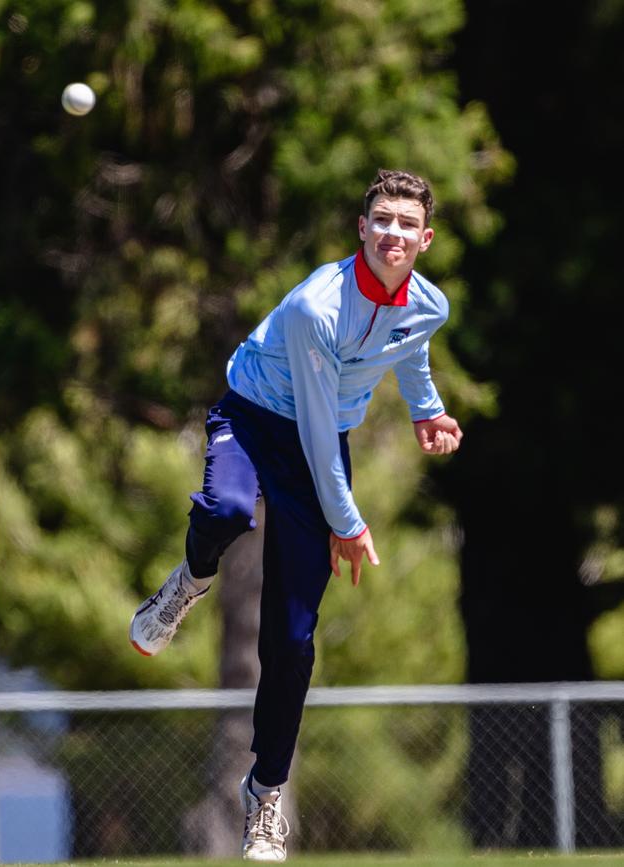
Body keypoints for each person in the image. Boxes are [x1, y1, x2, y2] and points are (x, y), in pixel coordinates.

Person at [129, 169, 463, 862]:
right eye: (381, 220)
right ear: (361, 230)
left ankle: (265, 793)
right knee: (223, 510)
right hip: (255, 418)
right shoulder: (318, 305)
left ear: (424, 239)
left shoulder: (429, 303)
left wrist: (426, 407)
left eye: (406, 224)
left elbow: (409, 343)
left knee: (293, 638)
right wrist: (347, 520)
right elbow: (312, 425)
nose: (392, 233)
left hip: (320, 440)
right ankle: (186, 582)